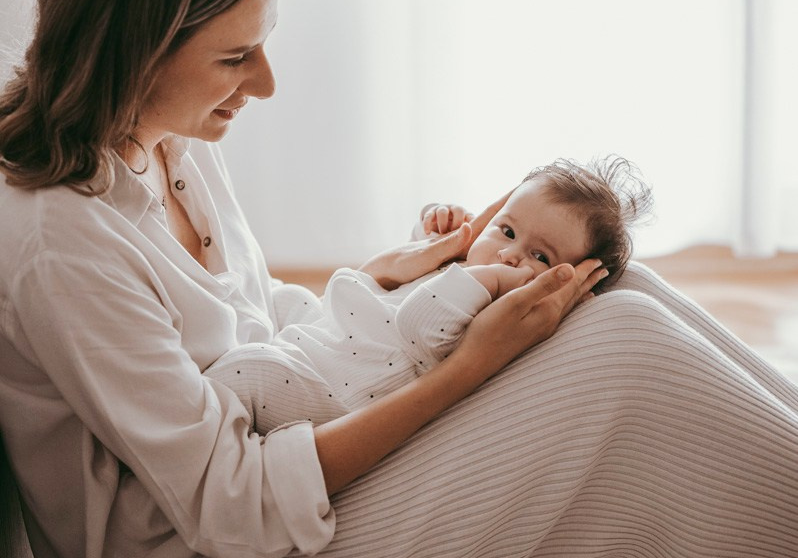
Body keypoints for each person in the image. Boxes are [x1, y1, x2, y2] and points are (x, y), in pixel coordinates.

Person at [0, 0, 796, 558]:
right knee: (623, 349)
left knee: (605, 276)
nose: (264, 83)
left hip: (272, 513)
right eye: (235, 58)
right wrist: (466, 369)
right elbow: (229, 502)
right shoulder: (62, 241)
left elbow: (263, 335)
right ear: (136, 50)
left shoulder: (170, 145)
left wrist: (388, 278)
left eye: (261, 45)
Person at [208, 158, 653, 432]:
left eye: (539, 255)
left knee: (251, 369)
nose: (509, 255)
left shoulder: (498, 309)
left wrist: (493, 281)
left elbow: (418, 322)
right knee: (284, 302)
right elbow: (415, 271)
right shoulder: (469, 267)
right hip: (328, 334)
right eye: (507, 230)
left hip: (328, 390)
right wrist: (434, 230)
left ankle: (205, 412)